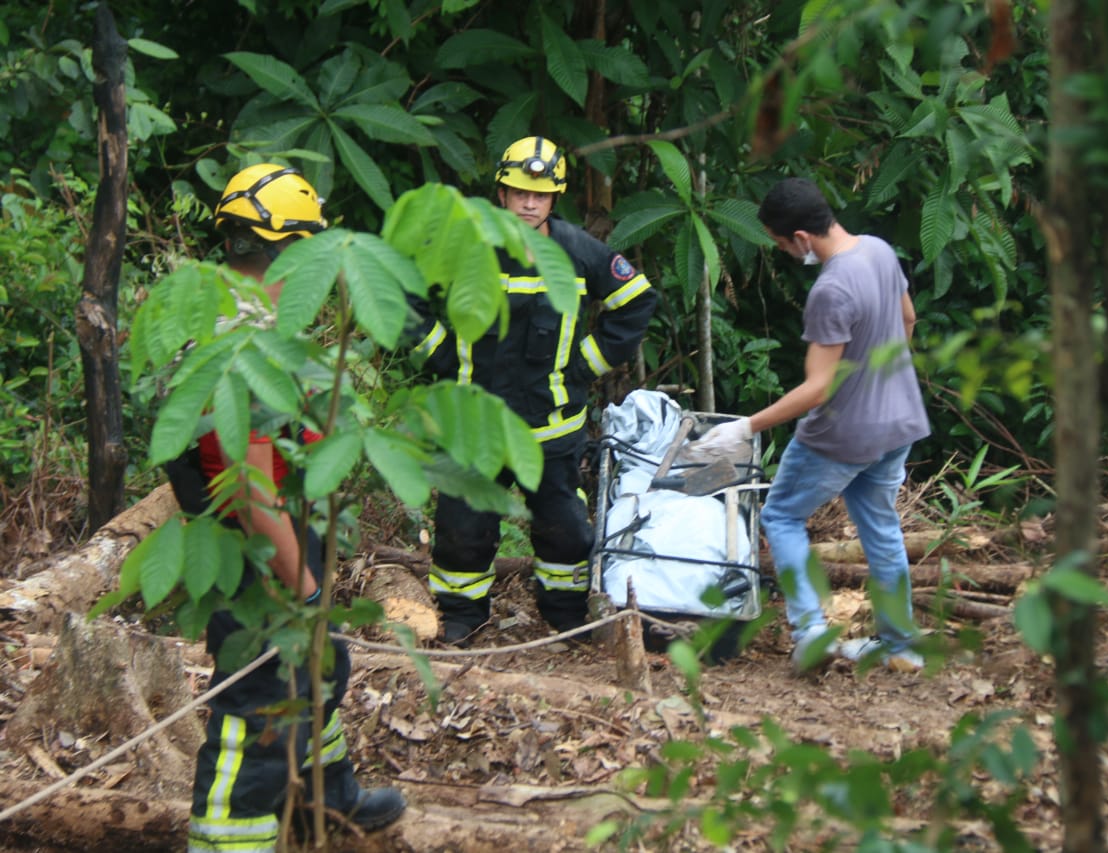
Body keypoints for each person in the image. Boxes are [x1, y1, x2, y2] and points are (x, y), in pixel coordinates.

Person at [175, 164, 406, 851]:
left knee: (322, 661)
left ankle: (322, 799)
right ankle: (225, 836)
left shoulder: (233, 309)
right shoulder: (241, 336)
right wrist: (302, 583)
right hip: (244, 538)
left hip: (256, 523)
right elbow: (248, 487)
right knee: (256, 696)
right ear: (286, 249)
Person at [409, 136, 658, 644]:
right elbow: (400, 295)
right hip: (473, 423)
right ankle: (461, 615)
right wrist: (439, 356)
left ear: (554, 199)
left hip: (552, 424)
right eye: (520, 191)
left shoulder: (577, 251)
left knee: (563, 528)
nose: (528, 203)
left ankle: (565, 617)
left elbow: (636, 300)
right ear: (501, 193)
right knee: (462, 525)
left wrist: (584, 367)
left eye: (540, 195)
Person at [690, 177, 929, 673]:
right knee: (882, 529)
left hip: (841, 436)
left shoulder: (832, 288)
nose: (783, 253)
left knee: (780, 517)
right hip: (899, 423)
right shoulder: (880, 251)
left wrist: (744, 427)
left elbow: (818, 387)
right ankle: (901, 644)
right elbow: (908, 319)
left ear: (801, 238)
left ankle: (811, 633)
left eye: (780, 244)